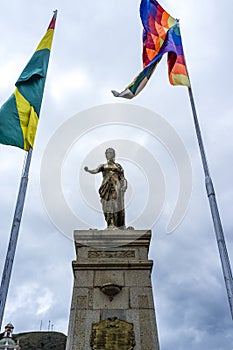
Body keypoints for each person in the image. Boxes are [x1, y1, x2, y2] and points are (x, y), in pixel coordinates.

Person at [84, 148, 127, 229]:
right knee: (107, 205)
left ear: (113, 154)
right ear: (106, 155)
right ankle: (110, 223)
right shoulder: (103, 166)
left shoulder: (118, 166)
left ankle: (116, 223)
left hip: (116, 187)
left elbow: (122, 178)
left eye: (111, 153)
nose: (109, 154)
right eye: (108, 153)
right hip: (106, 187)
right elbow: (95, 170)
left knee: (116, 205)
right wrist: (88, 170)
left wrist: (124, 185)